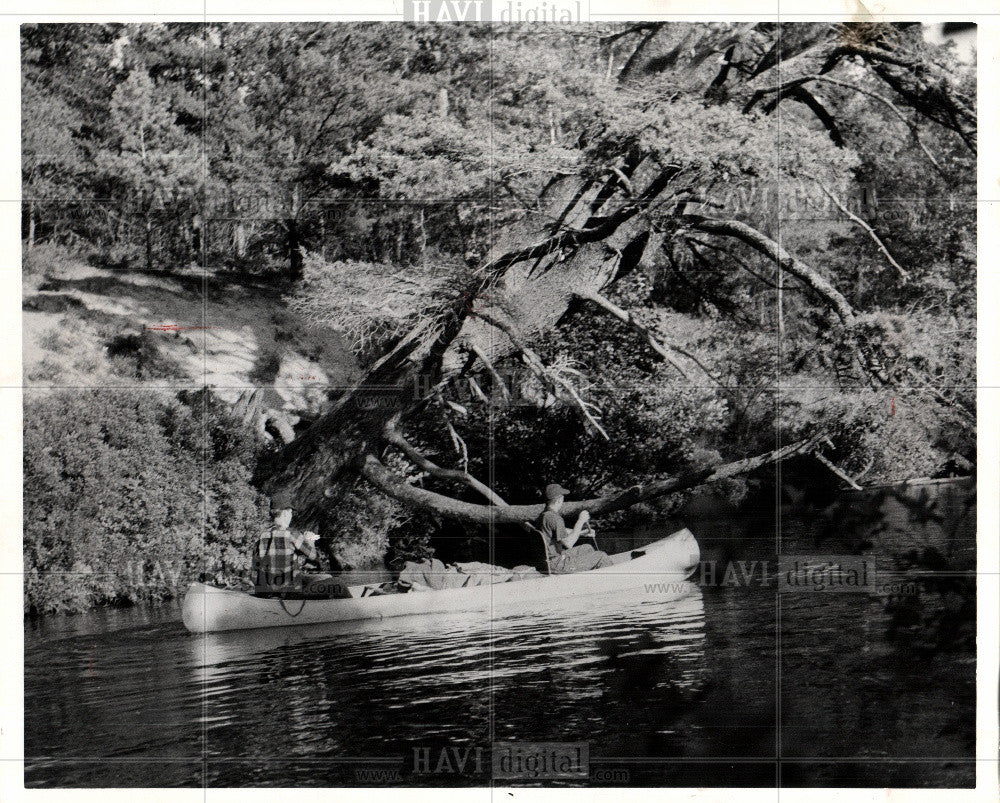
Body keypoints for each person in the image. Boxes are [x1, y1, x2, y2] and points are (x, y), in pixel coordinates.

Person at [251, 491, 335, 596]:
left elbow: (255, 567)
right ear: (286, 513)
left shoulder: (262, 535)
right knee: (329, 579)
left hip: (264, 591)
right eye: (291, 513)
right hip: (289, 591)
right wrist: (310, 541)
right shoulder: (292, 534)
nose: (291, 516)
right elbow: (314, 556)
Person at [535, 483, 614, 574]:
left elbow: (561, 532)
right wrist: (580, 521)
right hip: (556, 563)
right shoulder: (555, 518)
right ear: (559, 500)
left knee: (587, 548)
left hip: (548, 561)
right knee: (601, 556)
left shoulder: (543, 516)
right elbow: (569, 543)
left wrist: (582, 532)